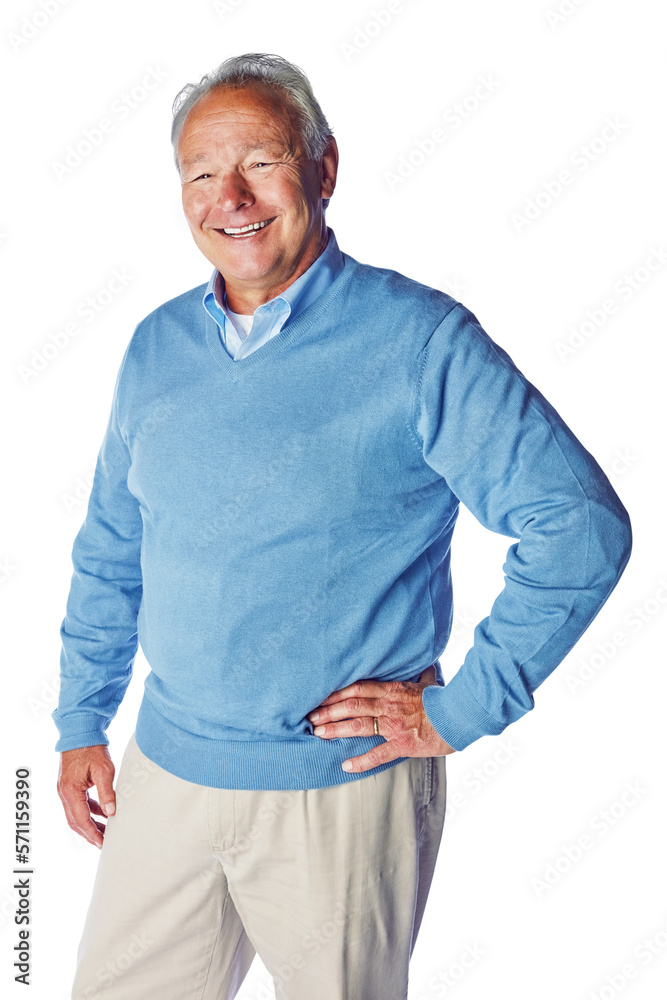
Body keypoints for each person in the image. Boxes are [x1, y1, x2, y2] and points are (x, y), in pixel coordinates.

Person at [53, 51, 632, 1000]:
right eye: (200, 173)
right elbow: (114, 546)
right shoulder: (157, 344)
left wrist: (462, 708)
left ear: (323, 169)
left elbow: (578, 530)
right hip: (166, 771)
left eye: (261, 162)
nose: (228, 196)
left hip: (343, 788)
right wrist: (82, 718)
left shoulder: (418, 341)